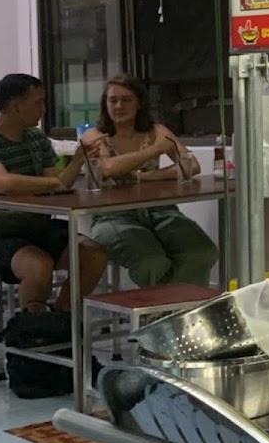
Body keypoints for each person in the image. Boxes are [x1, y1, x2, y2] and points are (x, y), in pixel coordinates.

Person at [80, 74, 217, 287]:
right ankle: (161, 314)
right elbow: (107, 168)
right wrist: (154, 151)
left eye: (126, 100)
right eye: (113, 100)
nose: (119, 106)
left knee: (202, 251)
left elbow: (191, 165)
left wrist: (144, 176)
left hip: (160, 210)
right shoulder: (94, 134)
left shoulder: (156, 130)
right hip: (112, 217)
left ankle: (173, 312)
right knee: (152, 262)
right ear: (105, 104)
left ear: (139, 103)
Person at [0, 74, 108, 312]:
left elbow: (60, 182)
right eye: (38, 102)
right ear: (15, 106)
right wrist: (51, 183)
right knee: (38, 265)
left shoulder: (36, 137)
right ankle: (33, 332)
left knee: (93, 253)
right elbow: (3, 183)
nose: (43, 109)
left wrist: (77, 161)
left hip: (39, 227)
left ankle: (62, 322)